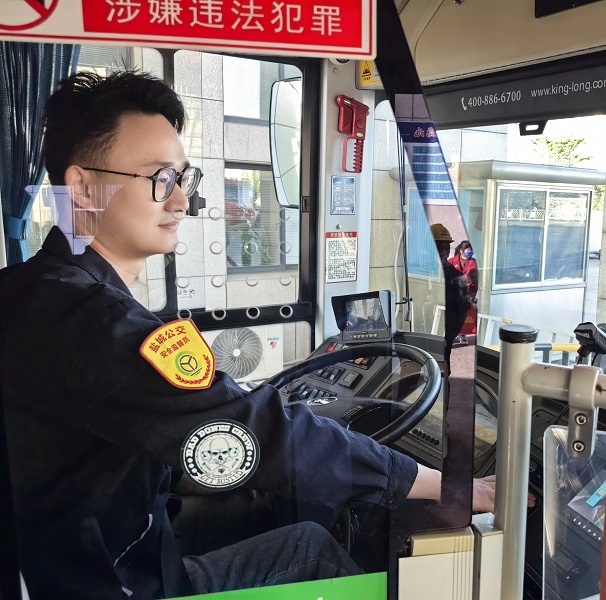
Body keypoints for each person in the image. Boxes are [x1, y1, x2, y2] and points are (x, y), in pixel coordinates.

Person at [0, 71, 497, 600]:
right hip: (112, 578)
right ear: (82, 187)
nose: (181, 202)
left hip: (93, 546)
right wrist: (439, 483)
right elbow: (255, 427)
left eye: (183, 179)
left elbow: (194, 429)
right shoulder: (94, 323)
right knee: (310, 548)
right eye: (160, 178)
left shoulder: (29, 289)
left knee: (271, 503)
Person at [430, 224, 471, 367]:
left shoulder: (456, 277)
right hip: (425, 333)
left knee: (442, 368)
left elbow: (461, 313)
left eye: (446, 248)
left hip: (443, 336)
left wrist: (448, 337)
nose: (444, 252)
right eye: (439, 247)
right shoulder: (427, 272)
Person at [448, 240, 478, 345]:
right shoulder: (451, 261)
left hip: (466, 294)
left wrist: (472, 295)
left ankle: (462, 335)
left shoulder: (473, 263)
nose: (470, 253)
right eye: (468, 250)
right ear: (461, 251)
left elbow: (474, 279)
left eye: (471, 251)